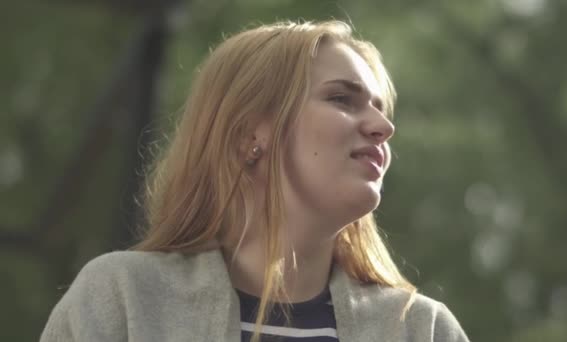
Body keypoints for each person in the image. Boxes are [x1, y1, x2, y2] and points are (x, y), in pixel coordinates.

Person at [40, 20, 470, 342]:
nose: (383, 127)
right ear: (250, 134)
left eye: (381, 110)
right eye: (342, 98)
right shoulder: (123, 298)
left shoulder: (424, 330)